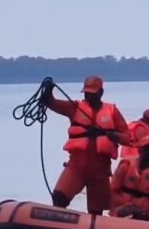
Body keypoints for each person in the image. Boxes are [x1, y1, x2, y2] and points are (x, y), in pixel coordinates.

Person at [41, 75, 131, 215]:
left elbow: (127, 138)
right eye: (87, 93)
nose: (89, 96)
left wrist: (114, 136)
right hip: (76, 166)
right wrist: (48, 91)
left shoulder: (112, 111)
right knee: (59, 198)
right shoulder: (75, 107)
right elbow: (51, 103)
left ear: (100, 92)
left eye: (92, 93)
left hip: (100, 169)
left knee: (96, 212)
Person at [110, 135, 149, 219]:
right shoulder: (126, 165)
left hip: (144, 215)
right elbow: (113, 191)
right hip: (121, 212)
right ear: (140, 150)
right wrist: (125, 205)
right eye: (147, 149)